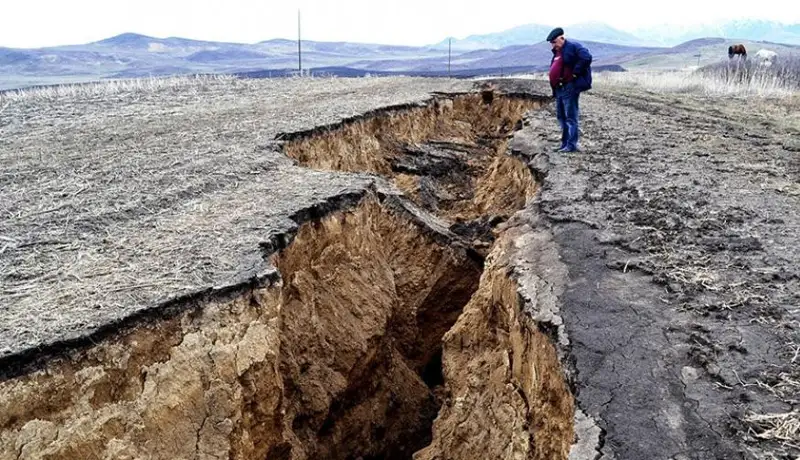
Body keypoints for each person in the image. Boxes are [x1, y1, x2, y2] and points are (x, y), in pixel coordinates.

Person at [546, 27, 592, 152]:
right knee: (561, 117)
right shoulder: (557, 52)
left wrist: (575, 73)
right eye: (551, 43)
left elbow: (586, 57)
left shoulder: (573, 47)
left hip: (569, 87)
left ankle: (571, 145)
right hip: (559, 89)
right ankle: (564, 144)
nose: (553, 45)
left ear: (561, 38)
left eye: (554, 42)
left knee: (570, 117)